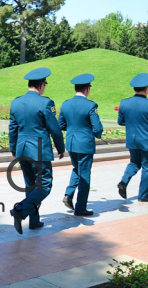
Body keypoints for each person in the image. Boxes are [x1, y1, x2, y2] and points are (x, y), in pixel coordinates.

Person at [9, 67, 65, 234]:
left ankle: (34, 221)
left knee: (31, 186)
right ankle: (20, 210)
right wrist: (61, 148)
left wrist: (13, 148)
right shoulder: (46, 102)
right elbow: (54, 129)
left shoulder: (16, 102)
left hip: (22, 149)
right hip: (39, 150)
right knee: (45, 185)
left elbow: (12, 128)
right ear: (42, 85)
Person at [59, 74, 104, 216]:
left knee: (77, 169)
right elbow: (97, 128)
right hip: (84, 144)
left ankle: (69, 193)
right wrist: (95, 134)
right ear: (87, 89)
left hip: (71, 143)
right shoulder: (91, 105)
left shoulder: (66, 104)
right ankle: (80, 207)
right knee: (84, 174)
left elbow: (61, 124)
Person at [117, 73, 148, 202]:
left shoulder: (124, 103)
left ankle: (124, 181)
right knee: (146, 167)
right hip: (146, 140)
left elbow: (120, 121)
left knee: (134, 162)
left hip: (132, 140)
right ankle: (144, 196)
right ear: (146, 89)